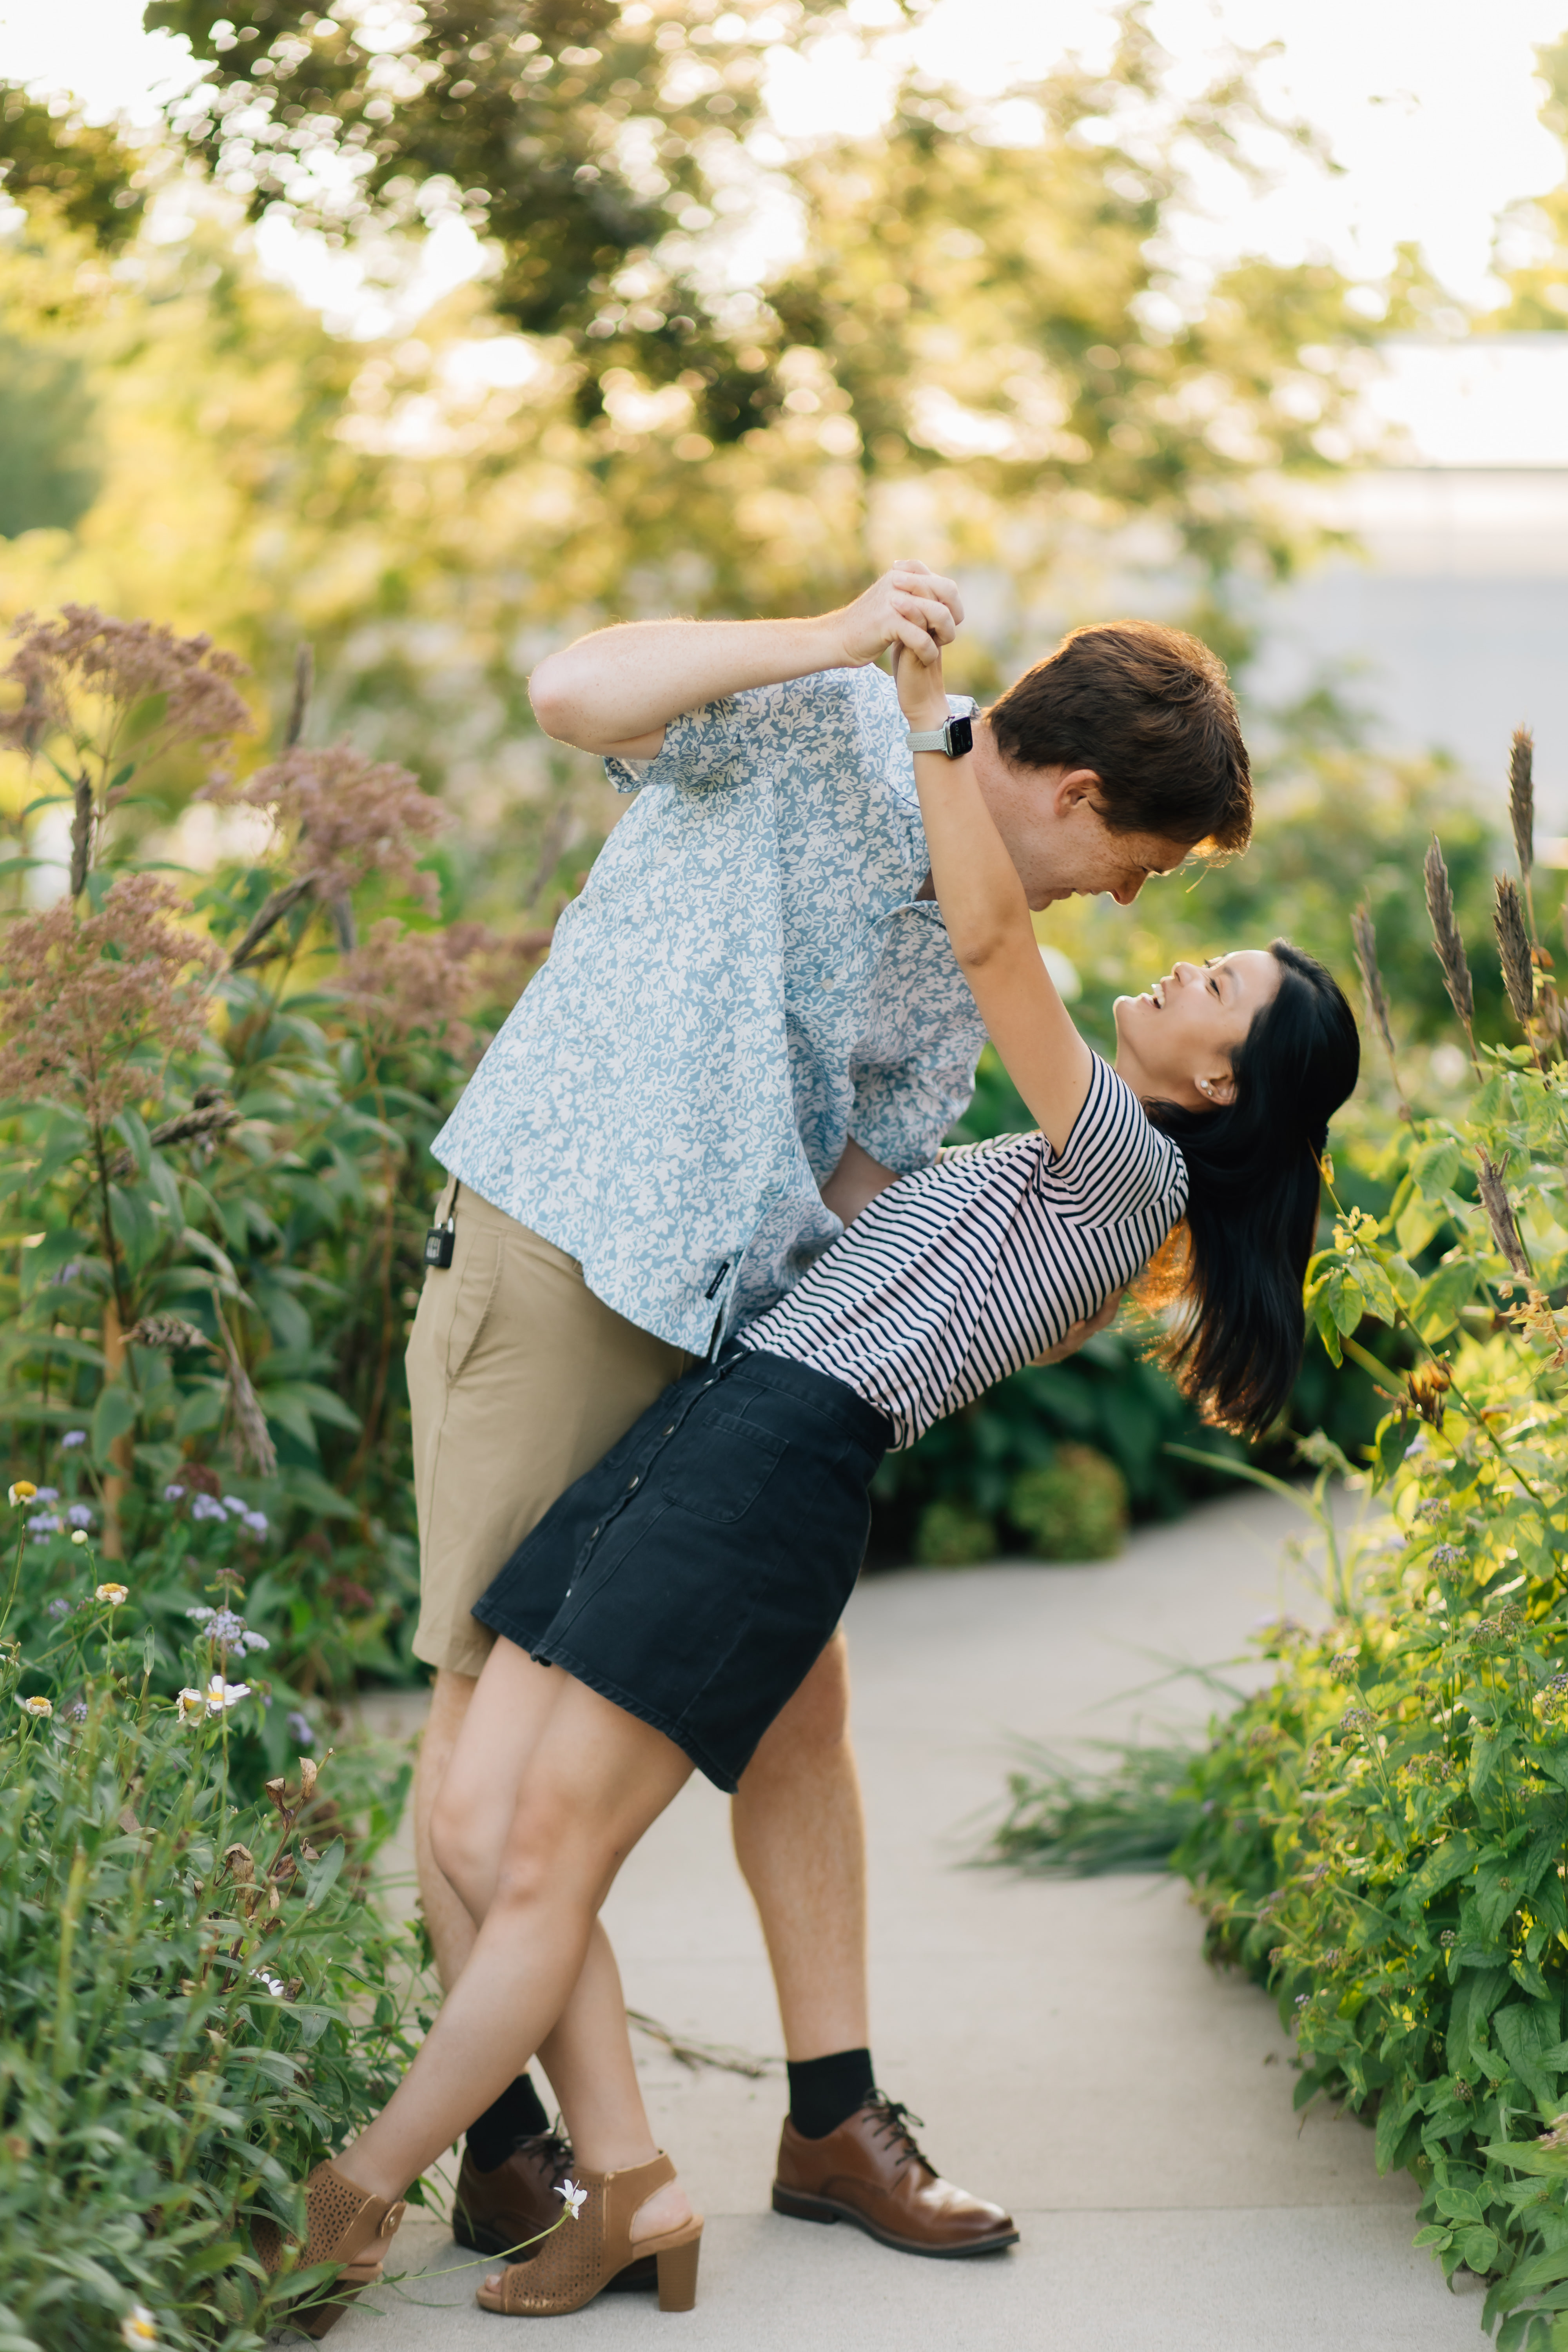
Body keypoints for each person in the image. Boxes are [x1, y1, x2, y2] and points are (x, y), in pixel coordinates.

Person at [260, 629, 1357, 2331]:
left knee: (542, 1830)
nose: (1142, 928)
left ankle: (471, 2180)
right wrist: (884, 674)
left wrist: (934, 741)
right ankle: (553, 2160)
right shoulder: (846, 737)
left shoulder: (1114, 1155)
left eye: (1201, 970)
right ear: (1071, 793)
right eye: (1140, 872)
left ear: (1219, 1086)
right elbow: (571, 693)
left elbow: (946, 1023)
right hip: (632, 1301)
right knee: (498, 1813)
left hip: (764, 1424)